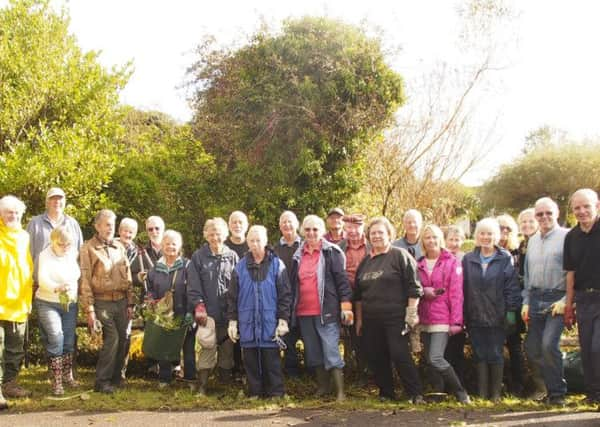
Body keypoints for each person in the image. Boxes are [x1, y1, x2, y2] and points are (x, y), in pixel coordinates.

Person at [354, 216, 424, 404]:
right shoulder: (365, 262)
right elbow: (358, 295)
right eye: (373, 233)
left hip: (395, 317)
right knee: (377, 356)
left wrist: (411, 313)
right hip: (371, 319)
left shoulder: (400, 255)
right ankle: (386, 393)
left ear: (389, 234)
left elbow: (414, 287)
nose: (376, 236)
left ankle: (415, 394)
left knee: (400, 354)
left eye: (380, 232)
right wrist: (360, 320)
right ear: (368, 237)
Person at [290, 214, 353, 401]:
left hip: (327, 311)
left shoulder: (331, 252)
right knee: (313, 351)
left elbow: (342, 282)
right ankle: (323, 388)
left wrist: (346, 306)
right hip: (304, 312)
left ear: (322, 231)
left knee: (331, 349)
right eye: (307, 229)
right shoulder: (298, 254)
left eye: (315, 229)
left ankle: (341, 392)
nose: (311, 233)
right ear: (302, 231)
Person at [227, 225, 292, 398]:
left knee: (272, 361)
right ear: (247, 243)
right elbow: (232, 296)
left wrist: (283, 319)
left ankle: (276, 394)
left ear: (265, 241)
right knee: (251, 361)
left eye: (258, 240)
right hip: (247, 322)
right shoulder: (240, 267)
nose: (255, 244)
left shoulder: (277, 264)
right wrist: (232, 321)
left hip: (270, 322)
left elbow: (285, 295)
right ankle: (254, 393)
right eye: (251, 241)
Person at [463, 218, 521, 402]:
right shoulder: (468, 259)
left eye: (490, 233)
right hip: (475, 314)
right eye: (482, 233)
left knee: (495, 353)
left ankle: (495, 395)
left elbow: (512, 287)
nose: (486, 237)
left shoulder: (504, 258)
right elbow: (462, 288)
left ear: (496, 236)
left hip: (498, 315)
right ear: (476, 236)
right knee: (479, 353)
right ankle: (482, 393)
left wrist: (511, 313)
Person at [79, 209, 134, 394]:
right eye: (107, 224)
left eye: (113, 224)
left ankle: (116, 379)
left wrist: (131, 302)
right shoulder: (88, 248)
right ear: (97, 226)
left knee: (124, 339)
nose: (110, 228)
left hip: (121, 301)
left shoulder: (119, 247)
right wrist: (90, 310)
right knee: (112, 339)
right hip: (101, 302)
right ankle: (101, 382)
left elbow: (128, 277)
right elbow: (85, 280)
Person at [521, 197, 568, 406]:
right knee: (532, 348)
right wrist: (526, 301)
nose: (544, 217)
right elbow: (527, 274)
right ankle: (548, 389)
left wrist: (567, 300)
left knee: (549, 345)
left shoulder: (568, 237)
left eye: (548, 212)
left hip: (557, 299)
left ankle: (558, 394)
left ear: (556, 213)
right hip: (536, 298)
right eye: (539, 214)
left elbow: (575, 273)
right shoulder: (532, 240)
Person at [417, 224, 470, 403]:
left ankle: (461, 392)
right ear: (422, 241)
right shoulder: (419, 263)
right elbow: (415, 288)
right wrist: (424, 290)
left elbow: (456, 294)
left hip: (443, 317)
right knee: (429, 360)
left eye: (434, 237)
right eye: (427, 237)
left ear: (440, 239)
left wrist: (456, 321)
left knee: (436, 357)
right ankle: (438, 393)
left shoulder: (451, 262)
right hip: (425, 317)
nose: (431, 241)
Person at [187, 218, 238, 394]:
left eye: (218, 233)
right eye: (211, 233)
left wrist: (235, 313)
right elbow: (193, 286)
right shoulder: (198, 257)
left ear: (225, 235)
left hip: (228, 314)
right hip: (207, 315)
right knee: (207, 349)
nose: (215, 237)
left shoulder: (232, 256)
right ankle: (202, 386)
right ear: (205, 235)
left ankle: (224, 387)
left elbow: (237, 286)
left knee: (227, 351)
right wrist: (199, 307)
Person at [563, 188, 600, 404]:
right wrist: (569, 306)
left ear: (597, 206)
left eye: (586, 206)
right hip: (584, 300)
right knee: (586, 349)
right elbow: (570, 274)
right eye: (577, 207)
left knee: (597, 347)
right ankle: (593, 395)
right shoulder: (571, 237)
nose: (582, 211)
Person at [146, 230, 195, 388]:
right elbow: (150, 289)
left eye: (174, 243)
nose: (170, 247)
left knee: (188, 348)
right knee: (164, 346)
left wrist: (190, 312)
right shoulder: (155, 268)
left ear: (179, 246)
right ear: (162, 245)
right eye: (167, 243)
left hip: (184, 312)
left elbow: (194, 290)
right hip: (164, 315)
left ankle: (190, 380)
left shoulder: (188, 266)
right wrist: (150, 300)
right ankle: (164, 379)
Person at [35, 226, 80, 395]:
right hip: (48, 301)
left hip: (69, 302)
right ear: (53, 241)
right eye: (62, 244)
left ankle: (68, 376)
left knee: (68, 340)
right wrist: (57, 287)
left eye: (68, 244)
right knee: (56, 337)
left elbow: (76, 273)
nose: (65, 247)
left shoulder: (71, 252)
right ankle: (56, 380)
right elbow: (42, 279)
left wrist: (69, 286)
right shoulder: (45, 255)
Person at [0, 195, 33, 409]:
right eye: (8, 212)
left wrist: (28, 299)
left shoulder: (24, 237)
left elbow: (27, 269)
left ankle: (9, 384)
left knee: (15, 348)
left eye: (16, 213)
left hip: (19, 302)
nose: (13, 216)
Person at [26, 187, 83, 289]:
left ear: (64, 202)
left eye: (60, 199)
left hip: (68, 287)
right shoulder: (35, 223)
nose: (57, 201)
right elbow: (27, 253)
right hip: (39, 285)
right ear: (47, 203)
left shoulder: (73, 224)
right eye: (53, 198)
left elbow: (80, 253)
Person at [338, 213, 370, 384]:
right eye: (348, 227)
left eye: (355, 227)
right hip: (347, 298)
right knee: (352, 335)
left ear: (362, 227)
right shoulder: (339, 247)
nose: (352, 231)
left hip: (370, 297)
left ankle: (372, 370)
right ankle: (357, 371)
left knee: (370, 334)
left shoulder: (372, 245)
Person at [497, 214, 526, 396]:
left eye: (508, 228)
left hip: (514, 304)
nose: (504, 232)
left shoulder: (518, 252)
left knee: (515, 346)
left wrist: (512, 310)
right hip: (494, 307)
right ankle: (500, 384)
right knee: (497, 347)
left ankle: (519, 385)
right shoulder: (487, 250)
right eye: (501, 228)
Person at [273, 210, 302, 377]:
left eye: (290, 221)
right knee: (286, 336)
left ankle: (313, 372)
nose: (287, 224)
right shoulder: (274, 250)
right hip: (281, 300)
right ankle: (290, 373)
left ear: (297, 224)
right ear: (279, 226)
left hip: (303, 299)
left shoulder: (305, 245)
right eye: (283, 222)